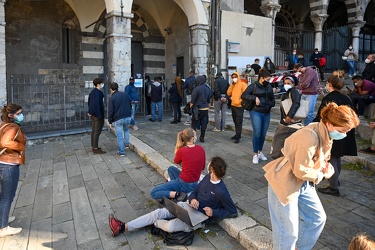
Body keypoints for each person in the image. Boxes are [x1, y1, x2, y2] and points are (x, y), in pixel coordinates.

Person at [264, 102, 360, 250]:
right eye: (343, 130)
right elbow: (301, 170)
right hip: (285, 182)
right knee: (287, 232)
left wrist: (323, 166)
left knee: (316, 219)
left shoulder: (325, 132)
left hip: (303, 183)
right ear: (329, 124)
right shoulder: (310, 136)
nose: (345, 134)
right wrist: (324, 173)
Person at [109, 156, 238, 236]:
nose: (207, 166)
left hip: (200, 218)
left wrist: (213, 212)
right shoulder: (207, 178)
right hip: (188, 207)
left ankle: (155, 224)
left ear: (213, 169)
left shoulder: (222, 191)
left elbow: (232, 211)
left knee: (170, 226)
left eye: (210, 164)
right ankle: (123, 227)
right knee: (158, 213)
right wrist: (193, 199)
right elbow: (195, 192)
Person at [314, 71, 357, 196]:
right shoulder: (346, 97)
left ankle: (333, 187)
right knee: (337, 157)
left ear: (329, 84)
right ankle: (335, 181)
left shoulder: (329, 98)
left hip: (332, 133)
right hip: (345, 132)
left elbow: (321, 116)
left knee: (331, 158)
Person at [150, 128, 205, 200]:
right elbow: (203, 167)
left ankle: (178, 194)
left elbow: (176, 161)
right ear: (192, 139)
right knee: (171, 169)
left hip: (184, 182)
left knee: (153, 192)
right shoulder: (201, 149)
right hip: (195, 182)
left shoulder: (181, 150)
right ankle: (178, 189)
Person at [0, 103, 26, 237]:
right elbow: (5, 142)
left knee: (5, 195)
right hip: (9, 164)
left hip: (3, 162)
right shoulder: (13, 127)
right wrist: (20, 146)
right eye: (19, 113)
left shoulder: (4, 124)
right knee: (7, 195)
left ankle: (2, 219)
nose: (21, 115)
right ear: (11, 115)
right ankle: (3, 228)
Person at [241, 69, 275, 164]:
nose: (268, 81)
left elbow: (272, 97)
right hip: (256, 112)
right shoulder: (253, 86)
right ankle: (255, 154)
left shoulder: (268, 86)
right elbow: (243, 95)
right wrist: (254, 98)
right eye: (267, 79)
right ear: (261, 78)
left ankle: (260, 152)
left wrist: (271, 104)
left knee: (263, 134)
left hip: (266, 112)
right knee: (257, 133)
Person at [108, 82, 132, 156]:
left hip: (118, 118)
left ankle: (121, 151)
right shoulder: (125, 95)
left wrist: (110, 121)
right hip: (128, 116)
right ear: (117, 87)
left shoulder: (112, 98)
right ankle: (127, 144)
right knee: (126, 130)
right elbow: (130, 104)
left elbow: (111, 111)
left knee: (119, 136)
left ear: (111, 89)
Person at [226, 72, 248, 143]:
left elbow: (246, 94)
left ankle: (238, 136)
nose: (234, 78)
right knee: (235, 121)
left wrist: (240, 101)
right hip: (233, 105)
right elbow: (228, 93)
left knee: (239, 122)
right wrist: (231, 85)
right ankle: (237, 134)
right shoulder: (233, 85)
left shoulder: (242, 84)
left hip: (239, 106)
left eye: (235, 77)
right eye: (233, 77)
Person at [190, 75, 211, 143]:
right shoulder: (207, 88)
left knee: (194, 124)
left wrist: (190, 106)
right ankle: (202, 137)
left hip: (197, 109)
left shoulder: (196, 89)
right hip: (205, 108)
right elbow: (208, 99)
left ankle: (193, 138)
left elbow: (193, 99)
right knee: (204, 124)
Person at [87, 78, 106, 154]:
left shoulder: (92, 92)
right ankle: (95, 148)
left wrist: (90, 112)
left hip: (93, 114)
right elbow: (97, 104)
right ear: (98, 84)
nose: (102, 85)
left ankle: (94, 145)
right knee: (97, 131)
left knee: (94, 131)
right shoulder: (98, 93)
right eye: (102, 83)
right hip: (98, 115)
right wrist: (99, 115)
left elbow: (89, 102)